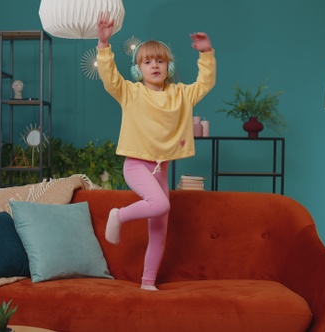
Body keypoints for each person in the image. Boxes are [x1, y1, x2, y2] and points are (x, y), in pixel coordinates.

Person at [96, 11, 216, 291]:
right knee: (161, 204)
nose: (154, 66)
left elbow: (205, 83)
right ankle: (118, 215)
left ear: (168, 67)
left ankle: (147, 282)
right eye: (147, 61)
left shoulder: (182, 95)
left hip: (162, 169)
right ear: (138, 69)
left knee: (159, 230)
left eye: (160, 61)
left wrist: (206, 54)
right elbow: (109, 77)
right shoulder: (130, 92)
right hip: (137, 165)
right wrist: (104, 45)